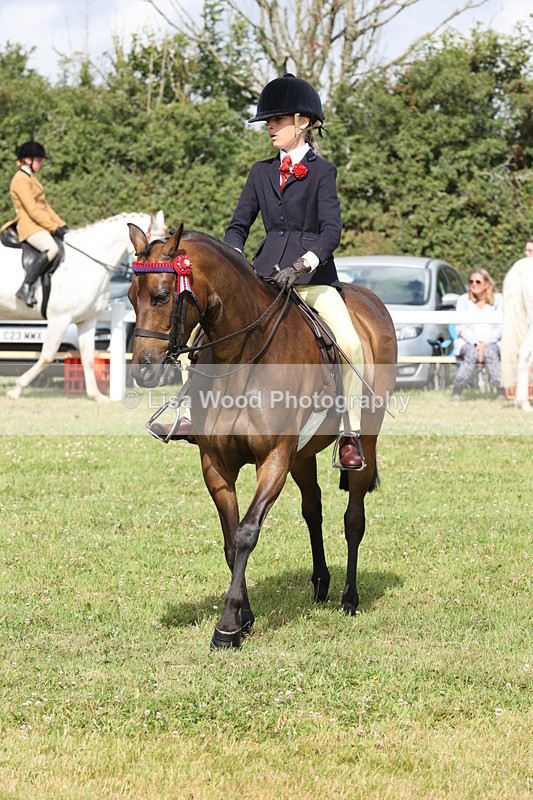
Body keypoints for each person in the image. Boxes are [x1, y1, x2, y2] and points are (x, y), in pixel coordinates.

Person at [223, 72, 365, 469]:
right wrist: (236, 258)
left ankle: (349, 433)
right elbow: (238, 226)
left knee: (351, 345)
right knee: (204, 328)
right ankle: (191, 411)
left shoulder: (323, 171)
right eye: (269, 121)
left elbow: (331, 230)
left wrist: (303, 264)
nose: (270, 126)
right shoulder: (260, 172)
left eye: (278, 120)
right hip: (265, 277)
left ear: (303, 122)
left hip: (312, 280)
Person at [9, 140, 67, 306]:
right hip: (29, 225)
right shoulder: (20, 180)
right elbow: (33, 209)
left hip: (39, 224)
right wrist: (54, 228)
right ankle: (26, 286)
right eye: (39, 160)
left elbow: (45, 207)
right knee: (51, 248)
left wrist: (61, 225)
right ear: (28, 160)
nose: (40, 164)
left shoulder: (31, 178)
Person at [451, 267, 505, 401]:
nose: (473, 284)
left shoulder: (499, 300)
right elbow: (462, 328)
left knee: (490, 353)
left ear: (487, 284)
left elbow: (501, 327)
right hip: (468, 342)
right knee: (472, 354)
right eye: (471, 281)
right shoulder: (463, 300)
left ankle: (501, 391)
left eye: (478, 282)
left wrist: (485, 344)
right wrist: (476, 344)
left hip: (493, 342)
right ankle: (457, 391)